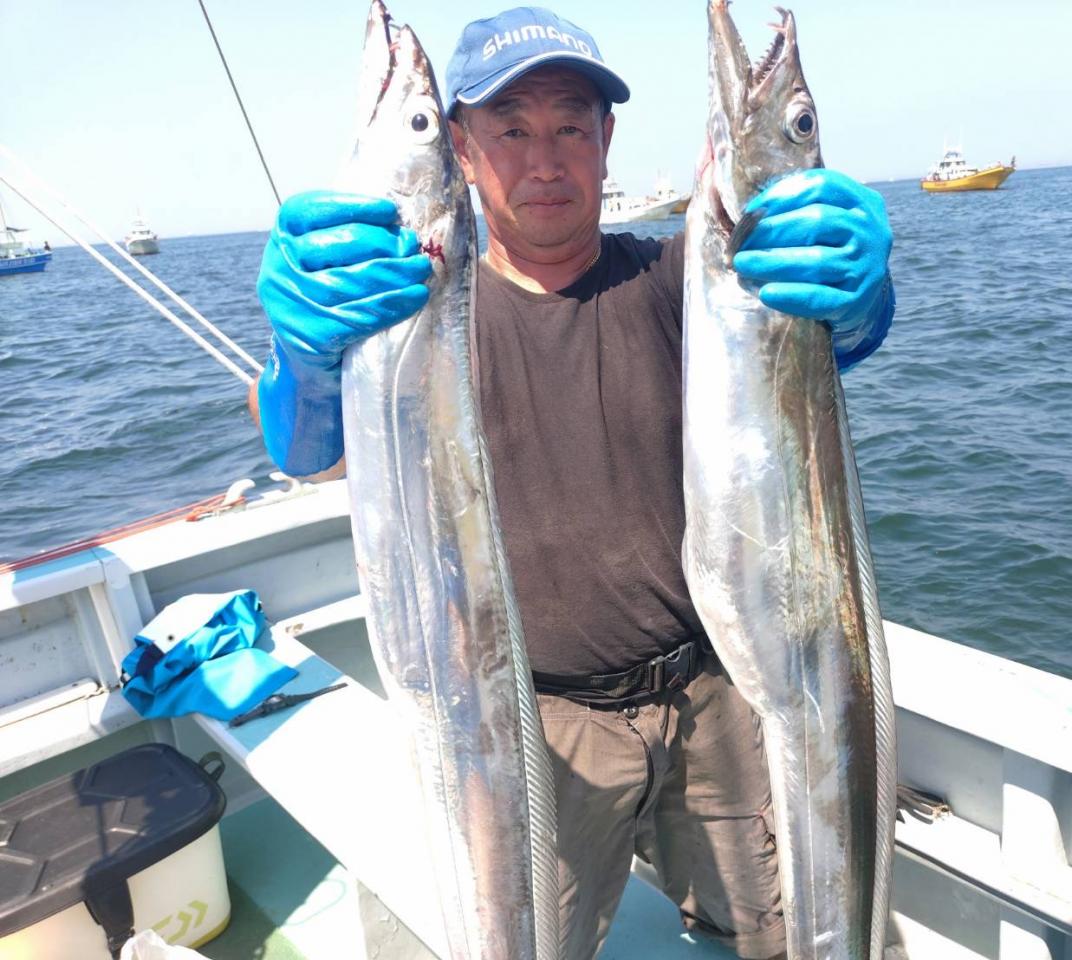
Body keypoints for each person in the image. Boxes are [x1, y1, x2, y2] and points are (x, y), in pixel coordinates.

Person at [250, 8, 894, 959]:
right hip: (536, 727)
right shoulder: (416, 315)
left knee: (778, 931)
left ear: (606, 141)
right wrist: (305, 361)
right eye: (511, 130)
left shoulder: (676, 282)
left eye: (569, 127)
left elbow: (790, 353)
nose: (545, 160)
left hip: (715, 694)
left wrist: (862, 306)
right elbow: (310, 453)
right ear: (461, 149)